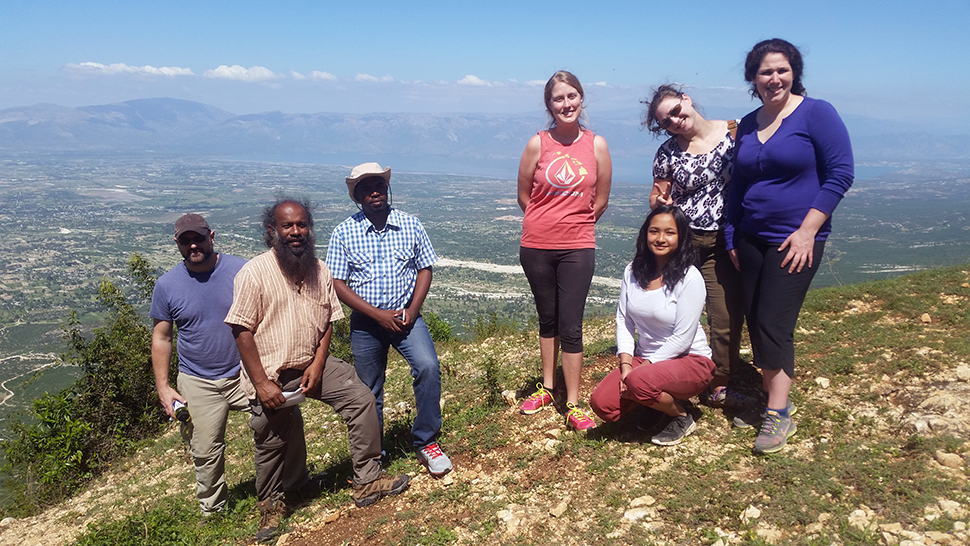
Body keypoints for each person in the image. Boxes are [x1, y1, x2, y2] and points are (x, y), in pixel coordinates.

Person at [225, 199, 409, 542]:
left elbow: (327, 322)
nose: (296, 232)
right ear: (272, 231)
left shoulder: (319, 270)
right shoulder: (254, 273)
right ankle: (271, 506)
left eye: (302, 225)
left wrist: (319, 362)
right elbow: (241, 330)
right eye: (287, 226)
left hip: (312, 363)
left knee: (360, 399)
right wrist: (261, 382)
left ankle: (367, 479)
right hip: (271, 372)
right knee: (271, 439)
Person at [725, 39, 854, 455]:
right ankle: (774, 398)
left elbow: (840, 173)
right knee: (755, 319)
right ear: (753, 78)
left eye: (782, 70)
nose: (774, 78)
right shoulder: (747, 123)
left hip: (795, 239)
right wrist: (730, 233)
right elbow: (738, 185)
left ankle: (779, 414)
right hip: (749, 237)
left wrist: (807, 231)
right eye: (765, 72)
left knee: (774, 322)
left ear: (794, 72)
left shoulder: (817, 113)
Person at [326, 162, 452, 477]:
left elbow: (425, 268)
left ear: (387, 189)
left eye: (379, 187)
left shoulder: (410, 225)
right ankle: (372, 457)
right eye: (367, 190)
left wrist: (413, 308)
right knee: (368, 392)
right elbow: (338, 284)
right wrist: (377, 315)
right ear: (357, 197)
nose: (375, 193)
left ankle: (427, 441)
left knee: (428, 367)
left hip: (407, 318)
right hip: (367, 325)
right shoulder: (344, 232)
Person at [644, 84, 756, 412]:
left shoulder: (735, 132)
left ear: (687, 100)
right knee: (672, 313)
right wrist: (657, 202)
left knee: (724, 316)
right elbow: (657, 194)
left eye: (676, 111)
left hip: (725, 240)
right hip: (683, 242)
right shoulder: (667, 152)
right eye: (666, 121)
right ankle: (670, 375)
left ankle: (717, 384)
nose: (675, 121)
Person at [516, 70, 613, 431]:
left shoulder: (596, 145)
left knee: (571, 324)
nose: (566, 104)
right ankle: (548, 387)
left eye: (572, 96)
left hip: (577, 246)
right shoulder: (537, 144)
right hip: (536, 245)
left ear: (581, 99)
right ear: (549, 104)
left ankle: (572, 403)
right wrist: (545, 222)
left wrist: (574, 225)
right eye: (559, 98)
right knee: (548, 319)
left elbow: (600, 200)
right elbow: (524, 196)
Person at [150, 213, 250, 517]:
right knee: (205, 452)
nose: (193, 245)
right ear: (178, 244)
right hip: (198, 381)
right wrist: (164, 388)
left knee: (282, 420)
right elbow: (162, 337)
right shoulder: (167, 285)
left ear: (212, 236)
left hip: (245, 371)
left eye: (199, 238)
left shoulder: (242, 269)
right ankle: (214, 513)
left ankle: (295, 482)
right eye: (185, 240)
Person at [589, 205, 716, 445]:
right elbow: (624, 320)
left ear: (682, 237)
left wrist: (642, 370)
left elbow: (683, 338)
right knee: (602, 403)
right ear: (645, 234)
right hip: (646, 361)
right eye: (654, 231)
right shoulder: (633, 272)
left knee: (639, 382)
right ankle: (654, 400)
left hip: (691, 360)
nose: (660, 238)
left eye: (670, 232)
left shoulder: (689, 277)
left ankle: (681, 415)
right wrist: (626, 365)